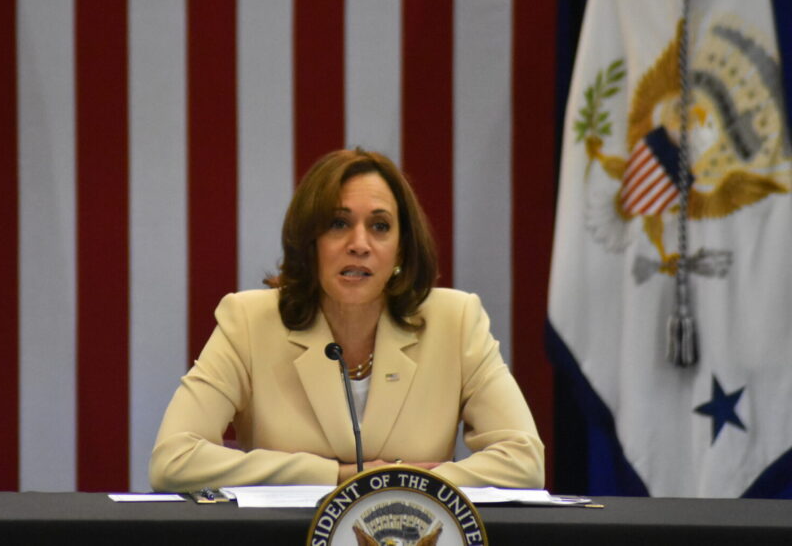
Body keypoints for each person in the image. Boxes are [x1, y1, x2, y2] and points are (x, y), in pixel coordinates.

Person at [149, 148, 544, 491]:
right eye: (338, 223)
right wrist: (335, 476)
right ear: (309, 242)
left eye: (380, 226)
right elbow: (174, 460)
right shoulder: (250, 321)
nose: (359, 244)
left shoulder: (454, 321)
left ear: (402, 249)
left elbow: (524, 461)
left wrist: (405, 485)